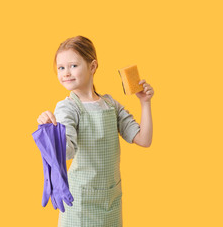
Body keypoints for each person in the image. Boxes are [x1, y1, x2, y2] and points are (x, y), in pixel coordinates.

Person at [36, 35, 154, 227]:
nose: (66, 72)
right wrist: (52, 130)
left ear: (92, 67)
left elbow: (144, 139)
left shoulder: (110, 104)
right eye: (61, 68)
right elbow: (67, 151)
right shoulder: (67, 108)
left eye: (73, 66)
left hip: (110, 199)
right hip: (81, 204)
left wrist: (145, 103)